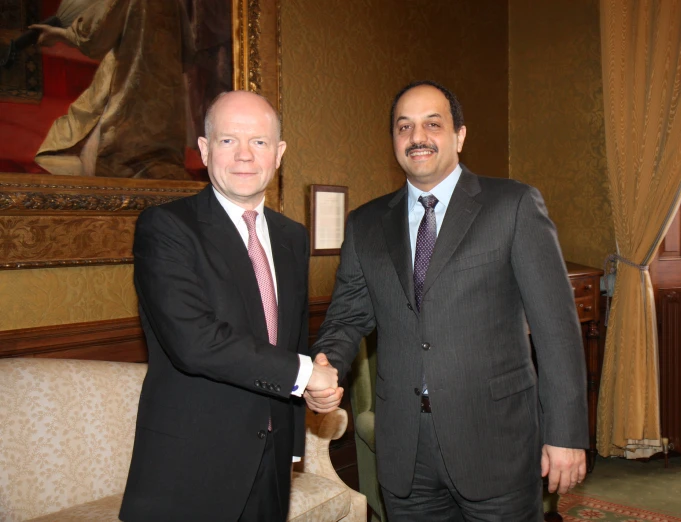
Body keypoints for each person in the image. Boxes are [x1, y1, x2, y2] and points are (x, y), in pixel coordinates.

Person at [307, 81, 588, 521]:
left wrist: (566, 434)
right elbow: (346, 316)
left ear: (458, 135)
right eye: (405, 127)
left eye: (432, 124)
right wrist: (325, 364)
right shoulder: (365, 224)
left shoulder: (512, 205)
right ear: (395, 142)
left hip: (495, 442)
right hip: (404, 449)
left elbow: (556, 328)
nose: (417, 137)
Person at [119, 90, 340, 522]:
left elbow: (290, 339)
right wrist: (306, 374)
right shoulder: (166, 227)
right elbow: (194, 342)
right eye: (227, 141)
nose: (244, 155)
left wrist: (310, 396)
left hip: (272, 466)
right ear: (203, 150)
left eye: (258, 142)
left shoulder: (292, 236)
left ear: (278, 154)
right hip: (191, 469)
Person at [30, 0, 193, 179]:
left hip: (128, 77)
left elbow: (95, 35)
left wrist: (60, 34)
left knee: (103, 146)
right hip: (164, 90)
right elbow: (188, 53)